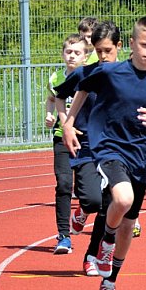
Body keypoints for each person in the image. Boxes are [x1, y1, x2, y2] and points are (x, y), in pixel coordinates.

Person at [63, 16, 146, 290]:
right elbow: (82, 87)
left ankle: (109, 282)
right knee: (121, 199)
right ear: (133, 44)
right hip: (110, 148)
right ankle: (106, 241)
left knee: (129, 225)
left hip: (141, 157)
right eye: (145, 45)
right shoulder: (112, 72)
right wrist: (68, 123)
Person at [54, 21, 123, 276]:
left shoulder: (129, 73)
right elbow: (59, 96)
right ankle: (83, 209)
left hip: (115, 148)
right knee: (93, 200)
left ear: (119, 46)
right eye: (98, 50)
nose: (103, 56)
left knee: (109, 206)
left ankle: (91, 256)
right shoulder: (86, 74)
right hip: (85, 145)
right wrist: (67, 126)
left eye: (108, 50)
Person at [46, 34, 88, 255]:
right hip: (61, 137)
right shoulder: (56, 78)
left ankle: (82, 212)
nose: (72, 56)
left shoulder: (89, 77)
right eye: (68, 52)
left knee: (87, 193)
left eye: (77, 52)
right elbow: (52, 99)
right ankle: (63, 236)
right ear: (63, 54)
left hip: (85, 138)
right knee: (63, 184)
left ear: (85, 56)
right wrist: (49, 116)